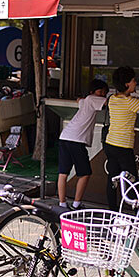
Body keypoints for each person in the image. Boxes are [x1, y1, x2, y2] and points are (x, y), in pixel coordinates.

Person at [104, 66, 139, 223]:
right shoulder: (130, 102)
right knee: (132, 180)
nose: (135, 84)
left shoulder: (112, 99)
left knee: (112, 179)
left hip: (110, 143)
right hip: (123, 146)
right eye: (133, 81)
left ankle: (113, 213)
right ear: (127, 84)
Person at [57, 79, 109, 209]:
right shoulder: (93, 99)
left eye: (104, 92)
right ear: (92, 92)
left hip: (65, 137)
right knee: (84, 173)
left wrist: (80, 99)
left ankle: (62, 204)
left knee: (63, 173)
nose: (102, 94)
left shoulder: (85, 100)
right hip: (76, 140)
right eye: (100, 91)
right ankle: (76, 203)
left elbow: (79, 101)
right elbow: (110, 103)